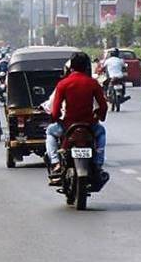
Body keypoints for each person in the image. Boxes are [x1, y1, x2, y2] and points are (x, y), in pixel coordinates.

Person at [45, 52, 109, 186]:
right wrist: (99, 116)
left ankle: (56, 163)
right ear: (86, 67)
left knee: (50, 132)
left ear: (71, 67)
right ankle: (98, 163)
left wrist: (54, 119)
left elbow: (55, 110)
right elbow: (103, 106)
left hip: (68, 126)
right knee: (101, 132)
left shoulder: (63, 84)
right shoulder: (92, 83)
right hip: (89, 126)